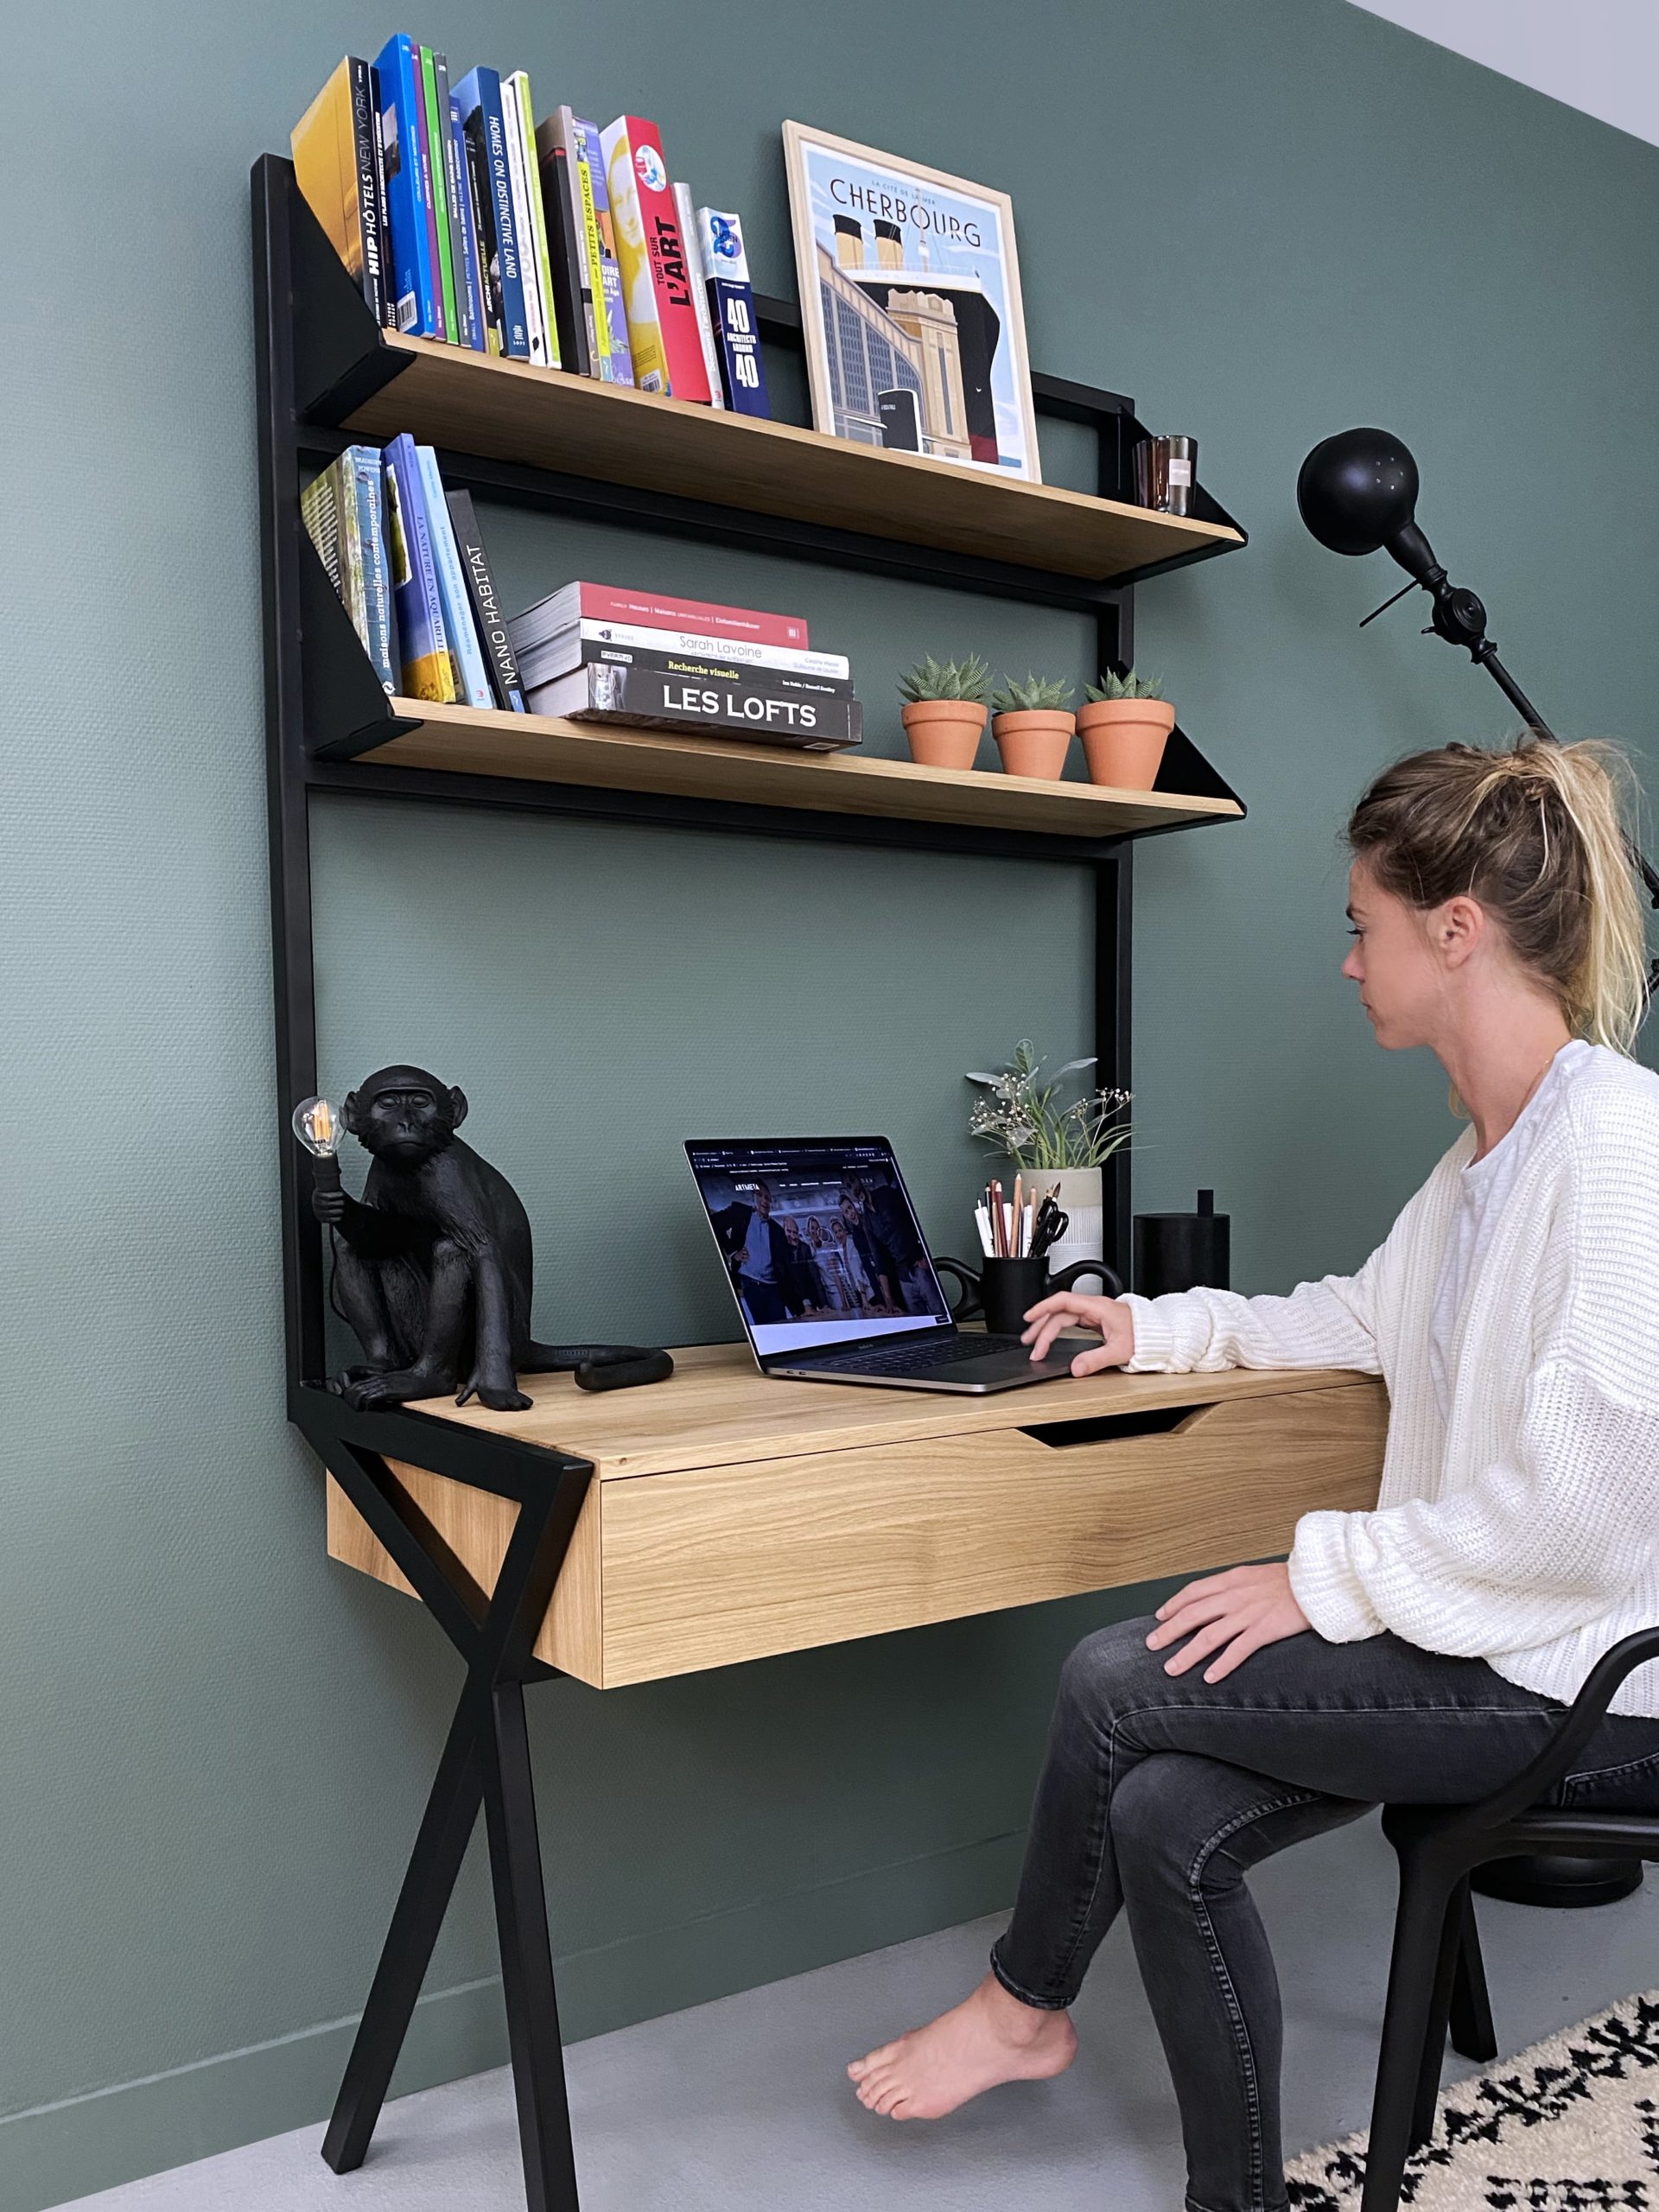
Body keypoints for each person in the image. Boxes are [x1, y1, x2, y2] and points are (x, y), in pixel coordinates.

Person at [849, 739, 1659, 2212]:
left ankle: (1024, 2009)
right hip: (1495, 1638)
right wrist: (1150, 1326)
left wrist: (1322, 1580)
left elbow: (1583, 1512)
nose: (1350, 961)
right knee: (1163, 1816)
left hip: (1590, 1685)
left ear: (1455, 929)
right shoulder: (1487, 1162)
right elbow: (1355, 1318)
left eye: (1363, 924)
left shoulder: (1614, 1154)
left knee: (1111, 1675)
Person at [711, 1179, 792, 1326]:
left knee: (782, 1328)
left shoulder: (777, 1230)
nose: (764, 1200)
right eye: (759, 1195)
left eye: (767, 1198)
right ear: (752, 1198)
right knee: (763, 1329)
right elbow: (714, 1222)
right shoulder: (740, 1212)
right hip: (751, 1286)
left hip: (773, 1288)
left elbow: (786, 1268)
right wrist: (732, 1251)